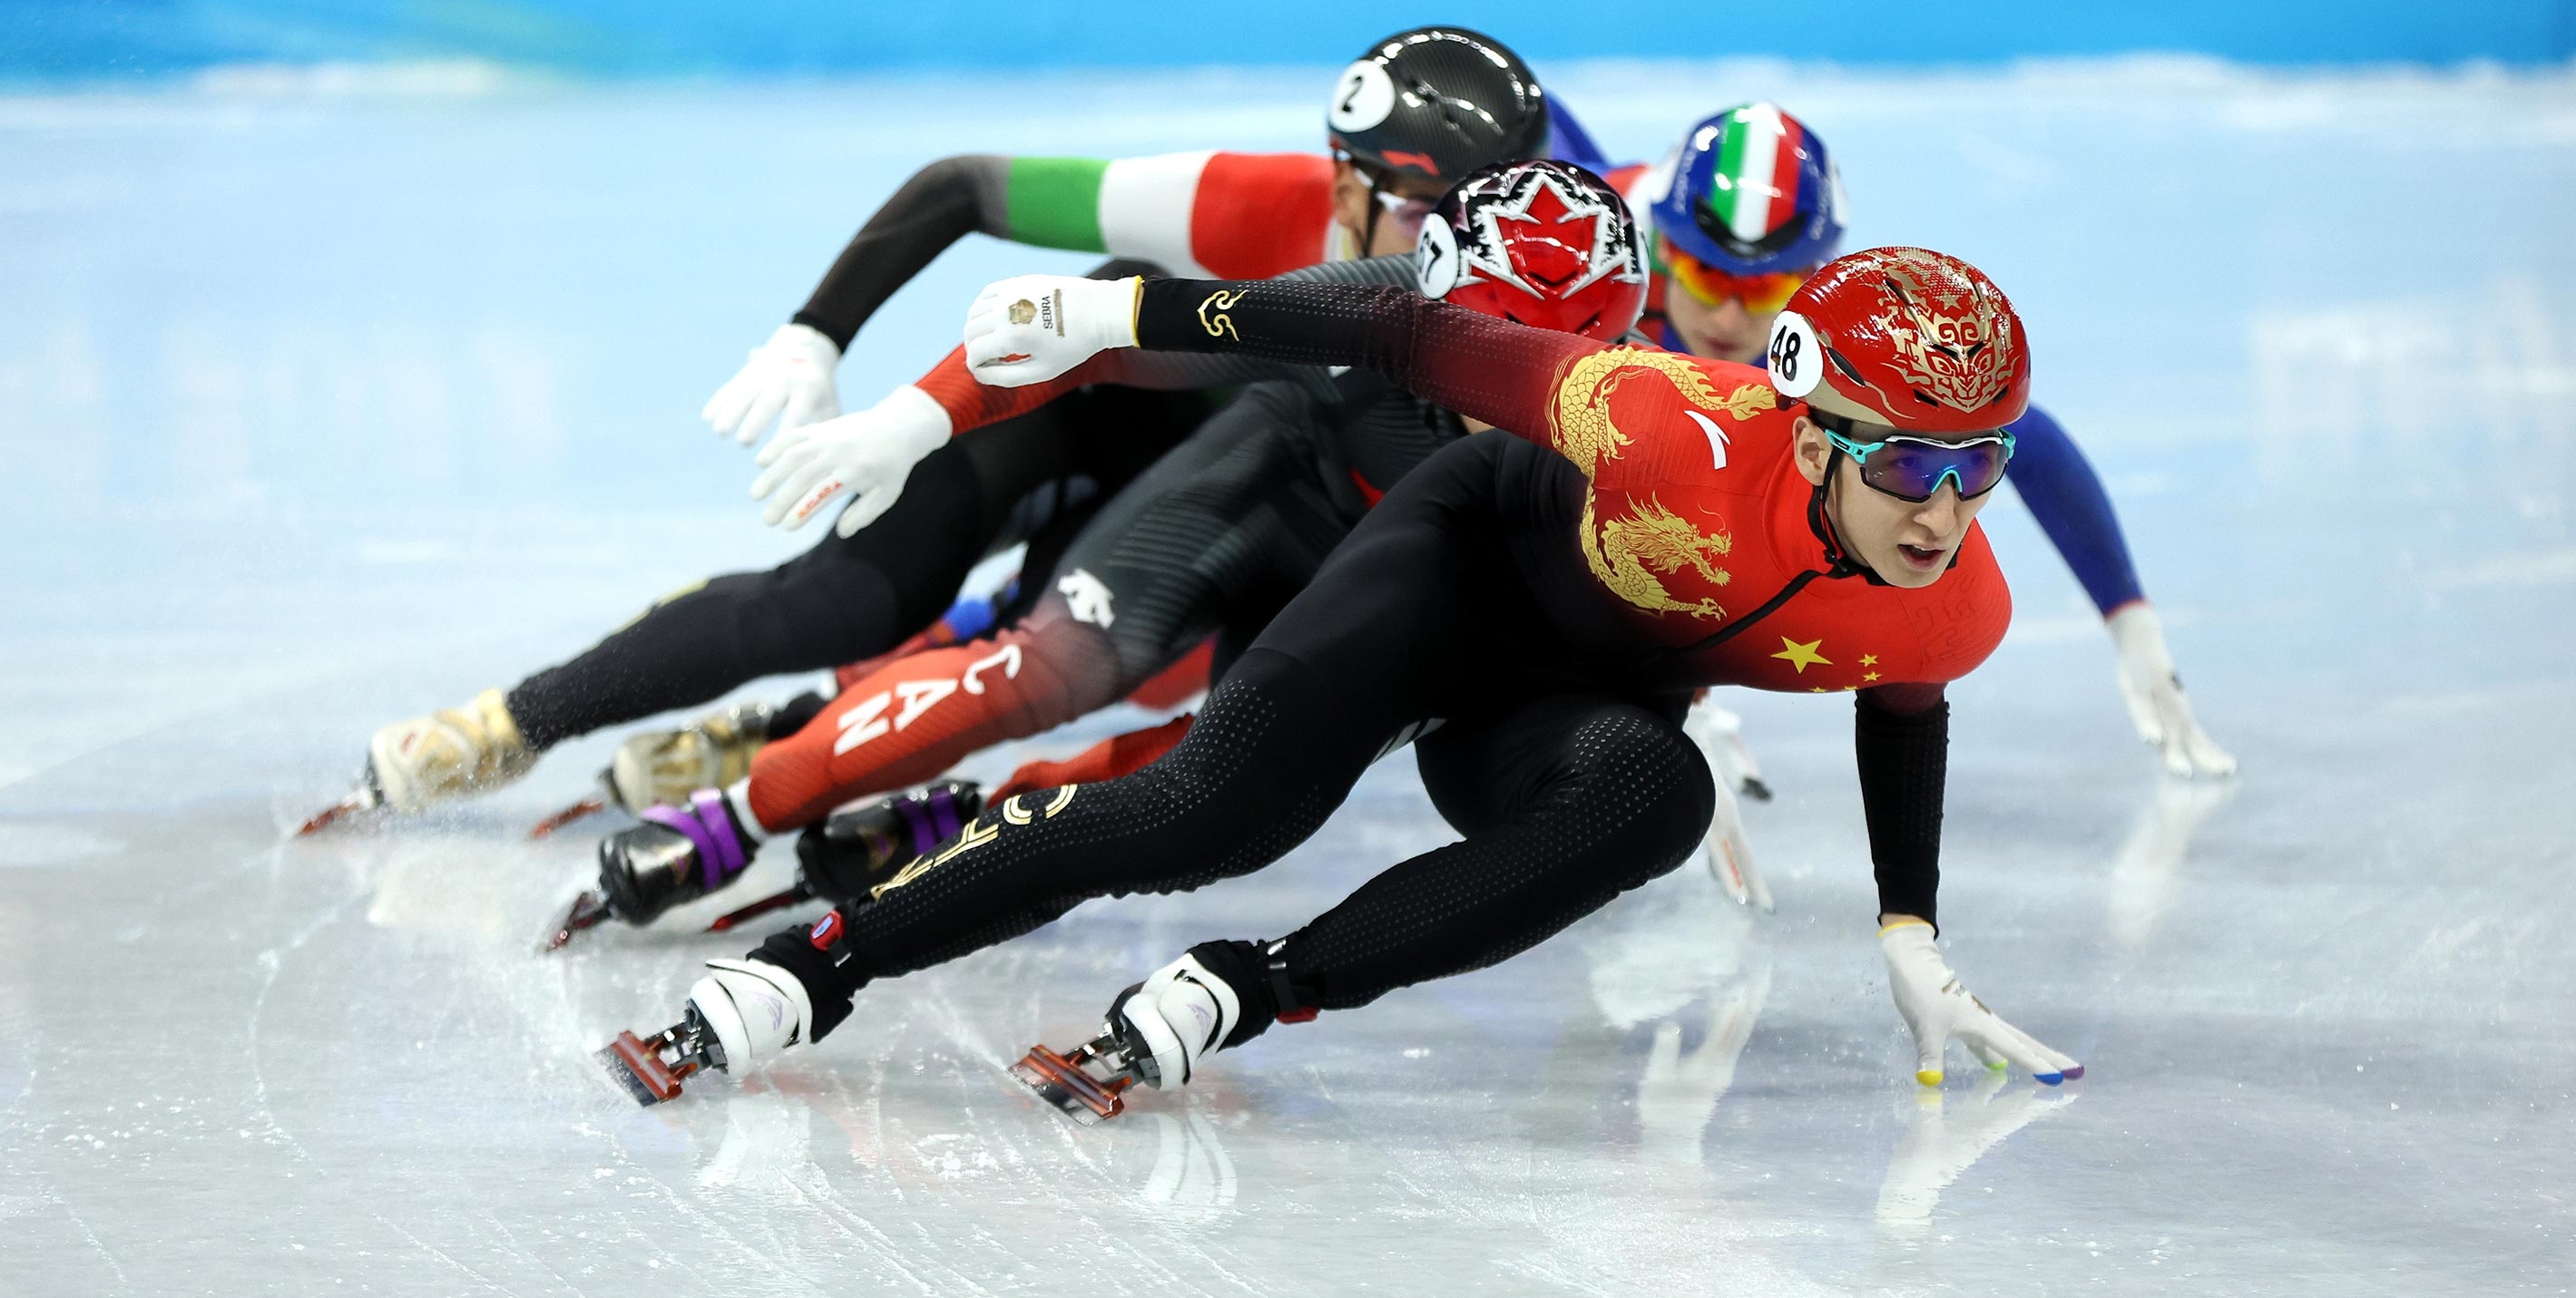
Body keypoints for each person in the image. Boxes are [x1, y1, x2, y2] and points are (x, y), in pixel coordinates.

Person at [606, 246, 2082, 1110]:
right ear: (1812, 425)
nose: (1944, 509)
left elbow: (1907, 700)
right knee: (1210, 818)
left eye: (1980, 464)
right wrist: (1131, 318)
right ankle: (818, 964)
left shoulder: (1956, 602)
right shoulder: (1659, 420)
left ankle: (1247, 990)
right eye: (1909, 461)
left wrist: (1908, 925)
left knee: (1660, 795)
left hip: (1555, 717)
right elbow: (1401, 326)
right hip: (1450, 577)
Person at [325, 26, 1565, 826]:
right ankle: (510, 724)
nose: (1459, 260)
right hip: (1078, 410)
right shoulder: (1244, 202)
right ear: (1345, 183)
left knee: (1188, 680)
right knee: (844, 597)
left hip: (1234, 479)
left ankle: (789, 737)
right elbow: (962, 188)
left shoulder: (1533, 257)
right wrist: (817, 335)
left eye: (1488, 220)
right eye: (1426, 222)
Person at [565, 160, 1689, 937]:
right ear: (1427, 309)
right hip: (1259, 493)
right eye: (1491, 344)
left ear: (1632, 335)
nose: (1527, 384)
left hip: (1388, 577)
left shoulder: (1659, 415)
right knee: (1041, 671)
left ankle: (980, 820)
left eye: (1574, 356)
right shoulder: (1365, 307)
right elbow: (1094, 334)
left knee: (1218, 775)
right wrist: (912, 421)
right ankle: (738, 815)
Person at [1620, 104, 2231, 777]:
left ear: (1813, 273)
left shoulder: (1835, 330)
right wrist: (1667, 696)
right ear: (1663, 251)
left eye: (1767, 287)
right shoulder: (1606, 292)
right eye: (1708, 276)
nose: (1730, 315)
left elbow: (2024, 435)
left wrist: (2130, 620)